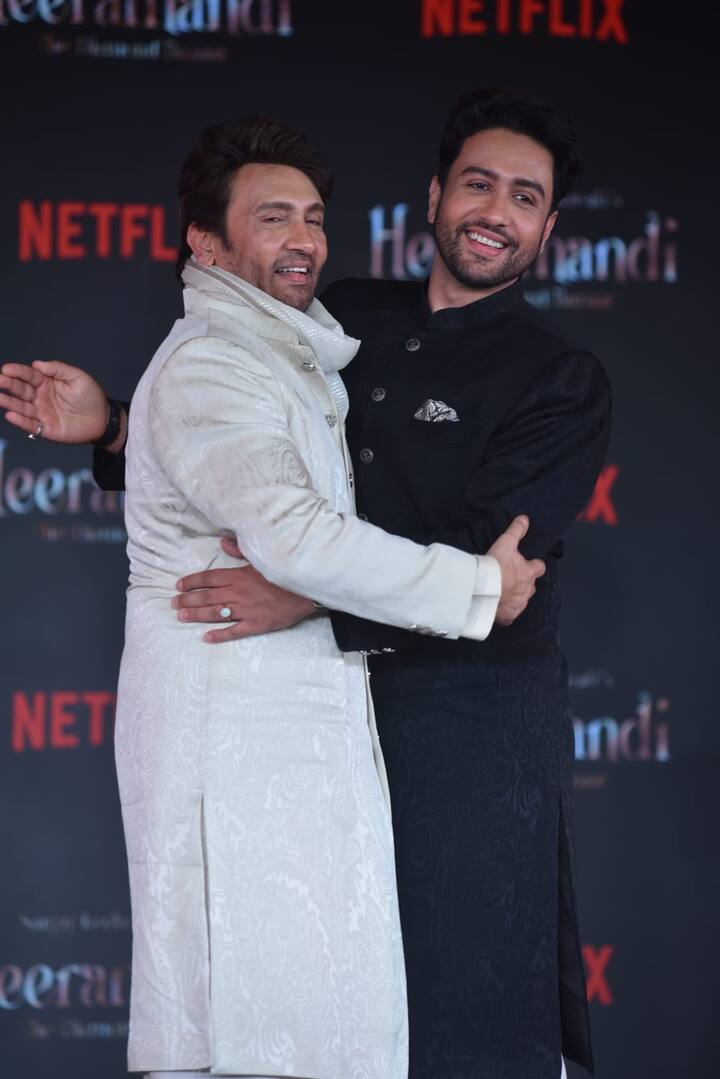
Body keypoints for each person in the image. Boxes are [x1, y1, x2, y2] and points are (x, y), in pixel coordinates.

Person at [1, 88, 610, 1079]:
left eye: (526, 197)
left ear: (547, 225)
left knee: (465, 1016)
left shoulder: (560, 377)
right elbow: (252, 454)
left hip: (468, 736)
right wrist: (117, 426)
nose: (495, 212)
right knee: (327, 1020)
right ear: (435, 194)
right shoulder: (336, 319)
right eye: (478, 184)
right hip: (325, 725)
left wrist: (310, 595)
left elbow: (497, 573)